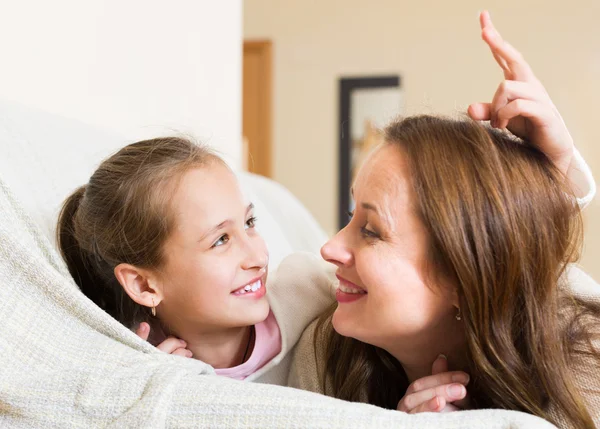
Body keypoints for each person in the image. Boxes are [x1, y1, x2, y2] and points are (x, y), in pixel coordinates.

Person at [288, 11, 599, 429]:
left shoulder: (584, 371)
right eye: (350, 216)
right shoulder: (323, 354)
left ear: (463, 274)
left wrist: (560, 167)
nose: (330, 248)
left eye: (371, 231)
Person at [57, 137, 334, 384]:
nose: (258, 257)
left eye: (249, 222)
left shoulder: (308, 290)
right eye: (221, 240)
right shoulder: (142, 367)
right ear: (144, 285)